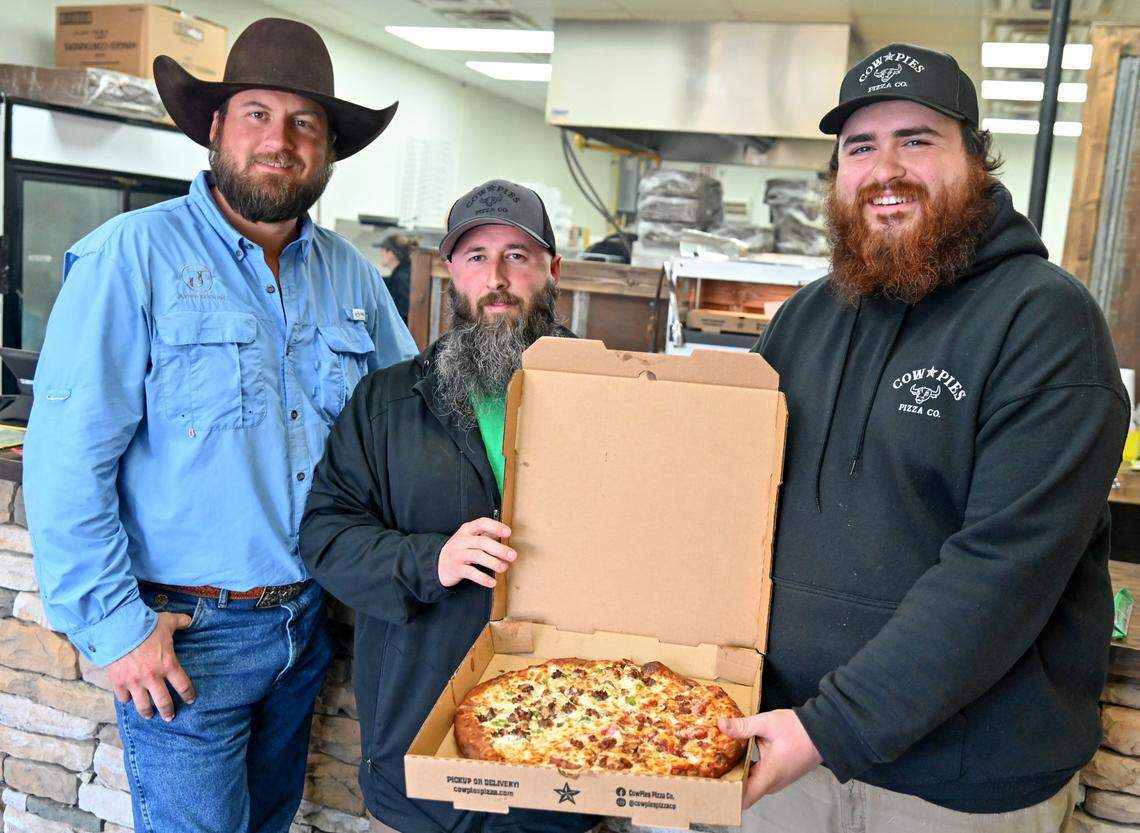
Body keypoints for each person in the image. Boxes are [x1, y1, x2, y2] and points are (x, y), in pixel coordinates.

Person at [720, 43, 1130, 832]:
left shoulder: (1046, 323)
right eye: (860, 147)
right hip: (784, 754)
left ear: (976, 159)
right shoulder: (803, 320)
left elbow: (1000, 575)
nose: (886, 169)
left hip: (959, 784)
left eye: (917, 139)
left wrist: (826, 727)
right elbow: (732, 502)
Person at [23, 18, 415, 833]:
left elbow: (408, 422)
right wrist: (117, 628)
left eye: (306, 123)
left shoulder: (352, 279)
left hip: (305, 625)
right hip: (184, 634)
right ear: (215, 127)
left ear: (329, 149)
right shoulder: (130, 257)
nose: (281, 140)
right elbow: (66, 462)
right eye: (258, 114)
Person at [300, 180, 596, 833]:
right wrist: (433, 559)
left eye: (518, 255)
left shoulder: (612, 401)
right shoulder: (385, 404)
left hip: (561, 759)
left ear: (553, 270)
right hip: (420, 754)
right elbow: (325, 534)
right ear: (449, 273)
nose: (496, 276)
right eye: (475, 256)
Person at [378, 233, 415, 322]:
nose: (380, 254)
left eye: (382, 250)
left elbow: (405, 314)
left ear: (390, 253)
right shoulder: (403, 274)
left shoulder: (401, 278)